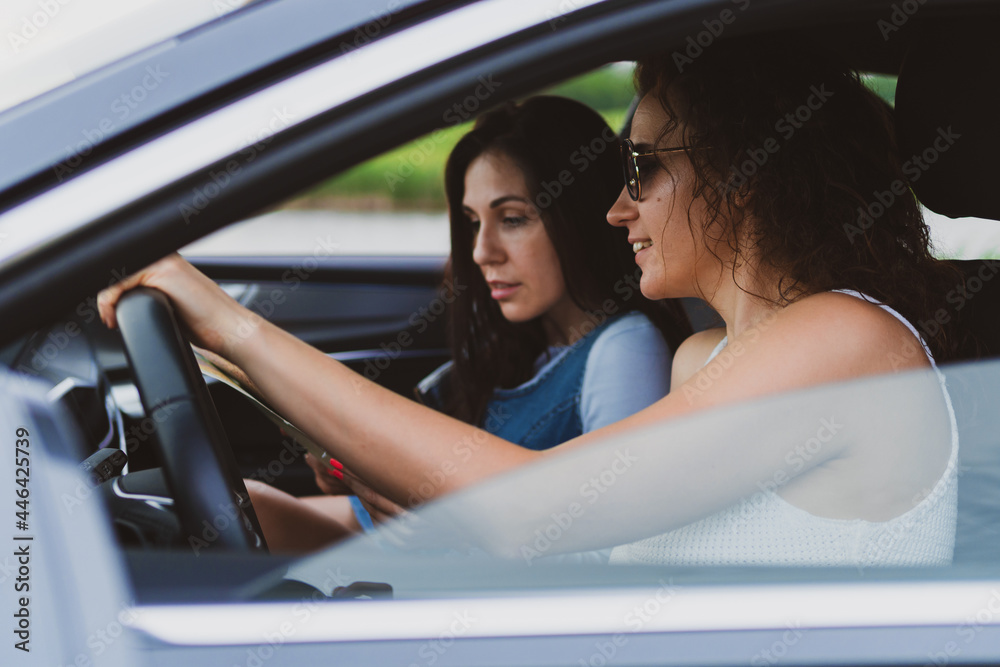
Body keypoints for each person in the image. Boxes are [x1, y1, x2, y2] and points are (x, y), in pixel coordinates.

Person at [98, 38, 961, 566]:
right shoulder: (705, 358)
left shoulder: (847, 340)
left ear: (742, 174)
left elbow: (543, 509)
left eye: (643, 167)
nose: (618, 206)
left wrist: (237, 328)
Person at [155, 96, 693, 553]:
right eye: (472, 222)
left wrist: (431, 524)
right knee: (240, 508)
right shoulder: (522, 344)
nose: (482, 252)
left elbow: (610, 551)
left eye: (512, 219)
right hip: (399, 551)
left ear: (577, 214)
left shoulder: (624, 346)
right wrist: (359, 477)